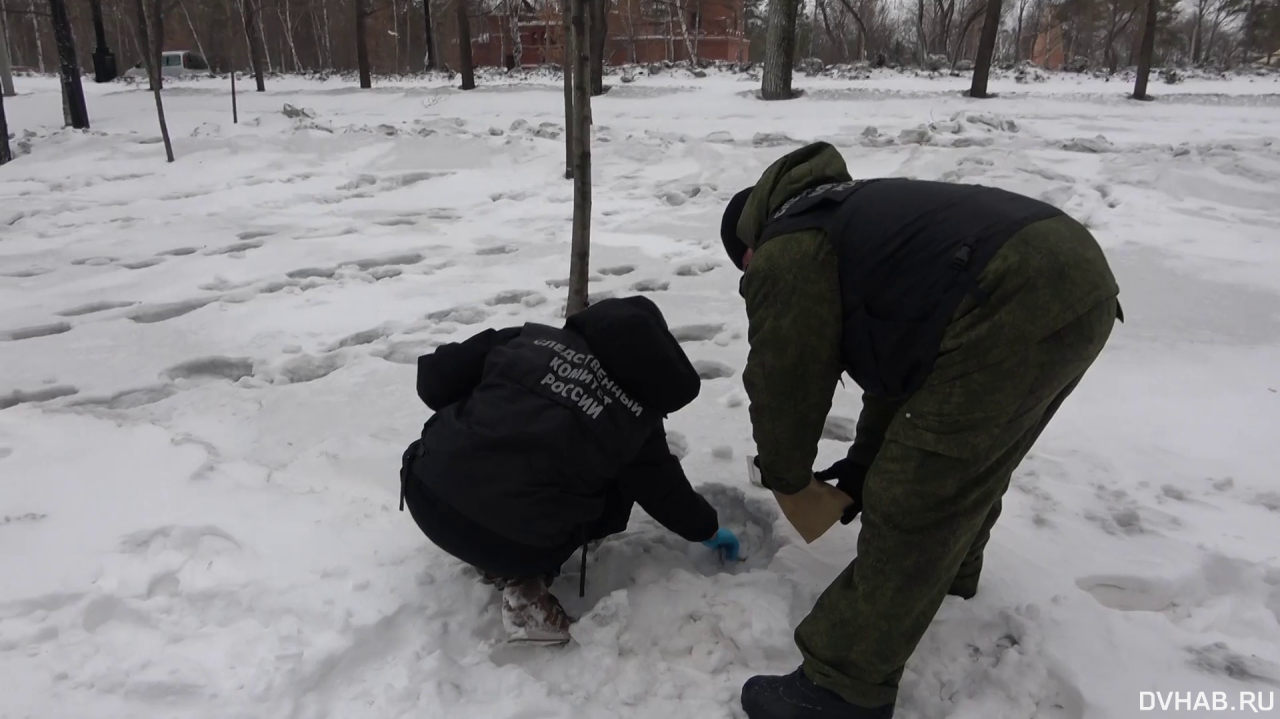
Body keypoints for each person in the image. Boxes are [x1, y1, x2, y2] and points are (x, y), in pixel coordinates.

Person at [720, 142, 1121, 718]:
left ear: (750, 247)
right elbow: (908, 366)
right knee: (970, 455)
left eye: (746, 268)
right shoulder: (851, 214)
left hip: (1013, 290)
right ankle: (952, 572)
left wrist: (787, 477)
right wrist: (861, 464)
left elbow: (786, 378)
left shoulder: (790, 251)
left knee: (916, 495)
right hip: (1075, 280)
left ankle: (841, 689)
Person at [399, 296, 742, 645]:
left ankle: (487, 539)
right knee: (621, 482)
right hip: (510, 543)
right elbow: (663, 491)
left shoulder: (527, 340)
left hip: (424, 491)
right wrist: (708, 529)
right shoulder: (635, 418)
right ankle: (525, 590)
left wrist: (492, 417)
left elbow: (433, 379)